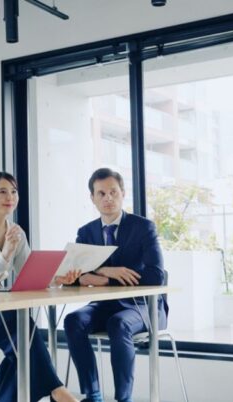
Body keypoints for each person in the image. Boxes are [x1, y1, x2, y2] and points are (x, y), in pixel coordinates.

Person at [0, 171, 80, 402]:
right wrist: (7, 251)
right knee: (20, 327)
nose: (9, 196)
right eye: (2, 191)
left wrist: (57, 279)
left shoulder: (16, 231)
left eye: (13, 191)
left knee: (21, 346)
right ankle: (57, 390)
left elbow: (28, 272)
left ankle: (48, 393)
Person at [63, 167, 168, 402]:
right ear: (92, 198)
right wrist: (102, 270)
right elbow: (74, 276)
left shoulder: (143, 228)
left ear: (123, 193)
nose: (108, 198)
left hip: (142, 307)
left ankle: (123, 398)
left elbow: (156, 275)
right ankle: (93, 394)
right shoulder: (86, 232)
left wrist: (103, 279)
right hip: (103, 305)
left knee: (118, 323)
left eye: (113, 192)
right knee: (73, 320)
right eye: (101, 194)